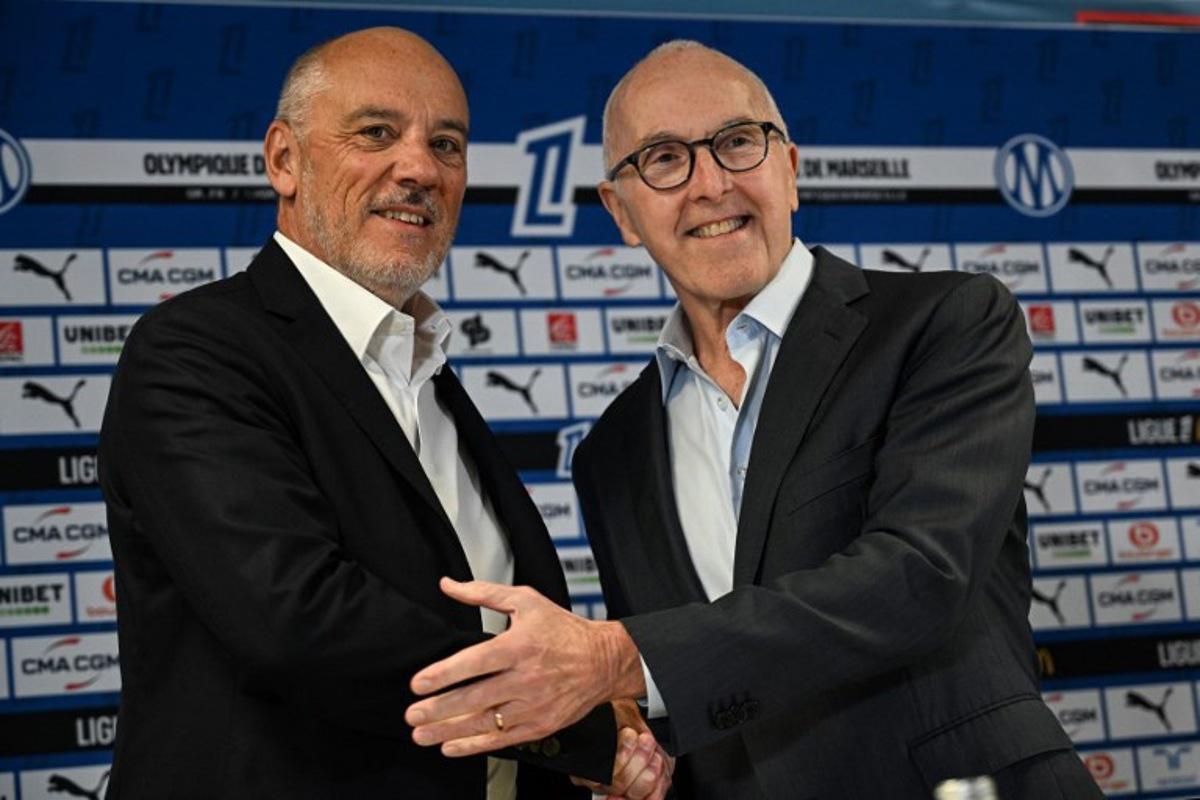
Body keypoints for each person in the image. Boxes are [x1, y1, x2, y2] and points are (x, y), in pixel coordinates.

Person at [405, 41, 1103, 799]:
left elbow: (920, 577)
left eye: (738, 143)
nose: (711, 184)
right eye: (665, 158)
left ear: (790, 168)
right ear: (623, 212)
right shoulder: (611, 453)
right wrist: (637, 740)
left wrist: (617, 657)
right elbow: (693, 678)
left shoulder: (944, 323)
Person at [99, 26, 667, 799]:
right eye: (376, 133)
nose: (419, 169)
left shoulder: (422, 366)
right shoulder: (195, 352)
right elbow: (297, 623)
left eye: (448, 144)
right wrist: (579, 719)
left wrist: (596, 703)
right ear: (284, 160)